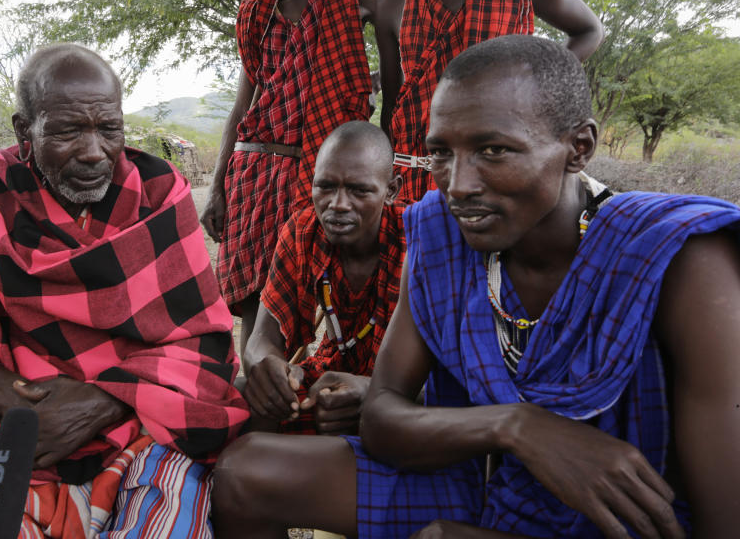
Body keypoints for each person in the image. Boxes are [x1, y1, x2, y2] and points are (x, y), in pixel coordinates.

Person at [212, 35, 740, 538]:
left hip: (621, 515)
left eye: (493, 151)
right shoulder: (440, 233)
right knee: (242, 471)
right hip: (478, 472)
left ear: (579, 148)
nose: (458, 185)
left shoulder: (677, 259)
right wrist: (515, 427)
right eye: (441, 153)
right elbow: (381, 418)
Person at [0, 43, 249, 538]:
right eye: (67, 131)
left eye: (109, 128)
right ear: (24, 130)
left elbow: (202, 339)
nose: (94, 151)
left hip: (143, 420)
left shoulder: (159, 193)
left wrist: (107, 399)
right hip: (3, 419)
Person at [200, 0, 385, 353]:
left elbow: (407, 46)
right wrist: (217, 185)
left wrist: (371, 82)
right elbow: (244, 106)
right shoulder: (257, 14)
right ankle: (264, 395)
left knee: (328, 292)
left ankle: (328, 391)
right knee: (251, 299)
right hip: (254, 174)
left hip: (320, 175)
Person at [376, 0, 604, 201]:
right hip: (419, 172)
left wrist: (534, 87)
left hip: (501, 162)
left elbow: (590, 30)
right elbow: (393, 104)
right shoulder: (394, 4)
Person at [242, 121, 405, 435]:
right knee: (237, 402)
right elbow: (261, 340)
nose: (338, 204)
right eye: (326, 186)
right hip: (329, 381)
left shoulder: (419, 240)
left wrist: (377, 394)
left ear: (391, 190)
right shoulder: (303, 231)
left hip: (401, 397)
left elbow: (444, 376)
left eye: (359, 190)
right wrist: (271, 373)